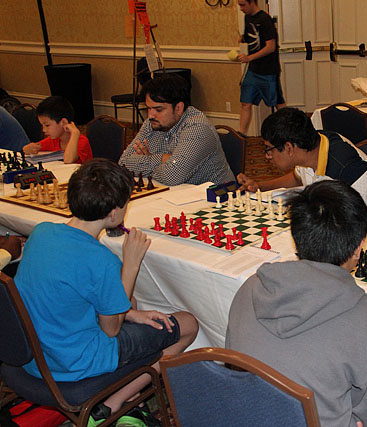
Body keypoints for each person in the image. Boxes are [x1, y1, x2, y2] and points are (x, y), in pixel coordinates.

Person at [226, 180, 367, 427]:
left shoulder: (250, 286)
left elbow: (233, 367)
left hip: (246, 417)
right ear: (359, 248)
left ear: (297, 237)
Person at [14, 159, 199, 426]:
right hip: (76, 363)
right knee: (188, 324)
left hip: (36, 355)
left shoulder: (41, 232)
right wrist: (131, 263)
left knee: (132, 304)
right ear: (113, 214)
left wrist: (132, 313)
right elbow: (111, 330)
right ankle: (110, 406)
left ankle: (109, 407)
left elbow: (72, 296)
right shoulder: (100, 260)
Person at [237, 107, 367, 207]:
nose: (267, 156)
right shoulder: (309, 147)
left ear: (289, 148)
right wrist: (260, 186)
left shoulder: (345, 166)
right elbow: (297, 178)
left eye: (269, 149)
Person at [119, 74, 234, 186]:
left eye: (158, 109)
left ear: (178, 108)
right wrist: (163, 158)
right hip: (174, 195)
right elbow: (123, 163)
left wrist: (147, 160)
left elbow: (171, 177)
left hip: (214, 198)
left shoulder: (197, 127)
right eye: (148, 108)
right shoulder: (152, 123)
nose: (150, 116)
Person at [237, 0, 286, 135]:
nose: (241, 8)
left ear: (252, 2)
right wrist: (243, 38)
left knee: (278, 104)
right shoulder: (247, 17)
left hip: (268, 71)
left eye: (243, 5)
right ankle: (241, 136)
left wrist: (249, 58)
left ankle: (290, 130)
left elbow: (271, 47)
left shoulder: (265, 19)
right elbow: (251, 38)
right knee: (245, 103)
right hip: (253, 70)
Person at [22, 96, 93, 163]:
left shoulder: (81, 141)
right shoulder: (53, 140)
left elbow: (68, 160)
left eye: (47, 125)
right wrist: (27, 149)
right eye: (42, 126)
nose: (43, 130)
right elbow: (33, 148)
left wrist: (75, 133)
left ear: (63, 122)